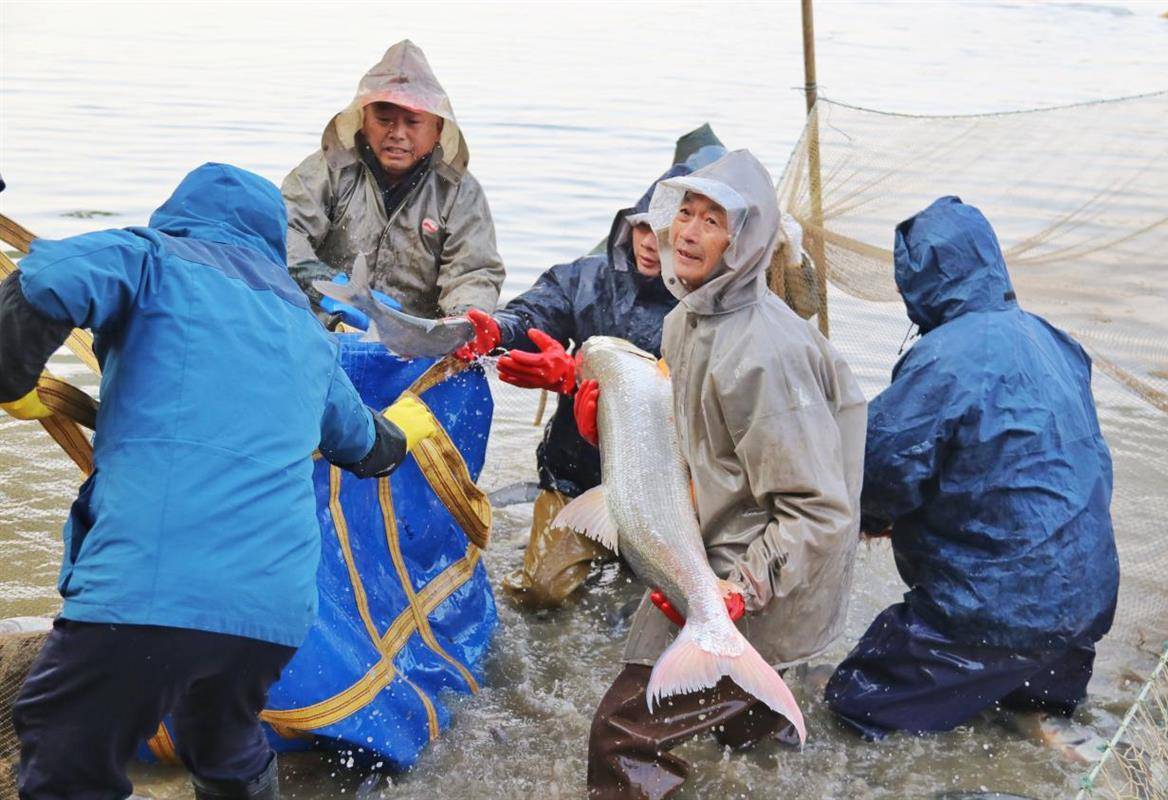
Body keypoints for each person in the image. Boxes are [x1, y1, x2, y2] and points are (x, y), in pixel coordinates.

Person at [0, 163, 438, 800]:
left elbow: (47, 275)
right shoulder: (305, 330)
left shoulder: (153, 258)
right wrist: (405, 431)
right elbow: (366, 446)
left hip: (150, 586)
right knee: (222, 742)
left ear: (178, 213)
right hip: (270, 613)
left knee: (63, 744)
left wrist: (11, 381)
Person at [581, 150, 867, 798]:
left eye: (713, 221)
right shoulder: (685, 319)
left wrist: (734, 594)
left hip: (762, 572)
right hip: (718, 541)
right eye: (685, 211)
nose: (687, 232)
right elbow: (692, 445)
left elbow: (818, 511)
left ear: (744, 243)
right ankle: (765, 731)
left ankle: (749, 699)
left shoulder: (766, 354)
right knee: (740, 723)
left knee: (619, 737)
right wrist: (605, 421)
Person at [824, 196, 1120, 739]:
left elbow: (880, 471)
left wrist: (863, 518)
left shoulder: (942, 357)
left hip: (989, 617)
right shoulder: (1055, 340)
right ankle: (1041, 719)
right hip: (1085, 612)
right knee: (1020, 703)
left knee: (854, 703)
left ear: (919, 283)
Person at [475, 134, 726, 610]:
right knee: (541, 594)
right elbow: (532, 315)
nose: (651, 244)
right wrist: (498, 328)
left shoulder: (705, 310)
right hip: (574, 473)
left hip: (665, 491)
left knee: (658, 604)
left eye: (665, 233)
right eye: (642, 228)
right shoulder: (585, 278)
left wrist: (574, 375)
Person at [283, 40, 504, 320]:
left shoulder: (459, 192)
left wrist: (460, 322)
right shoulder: (329, 169)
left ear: (438, 128)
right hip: (327, 326)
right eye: (384, 119)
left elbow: (474, 271)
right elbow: (284, 230)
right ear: (363, 120)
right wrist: (334, 289)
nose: (397, 133)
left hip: (414, 336)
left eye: (412, 122)